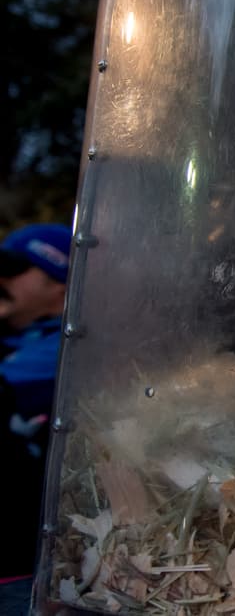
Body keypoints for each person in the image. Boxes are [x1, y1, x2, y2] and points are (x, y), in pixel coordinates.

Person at [0, 222, 71, 577]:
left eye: (12, 271)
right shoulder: (15, 339)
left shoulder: (64, 351)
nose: (2, 280)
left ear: (58, 286)